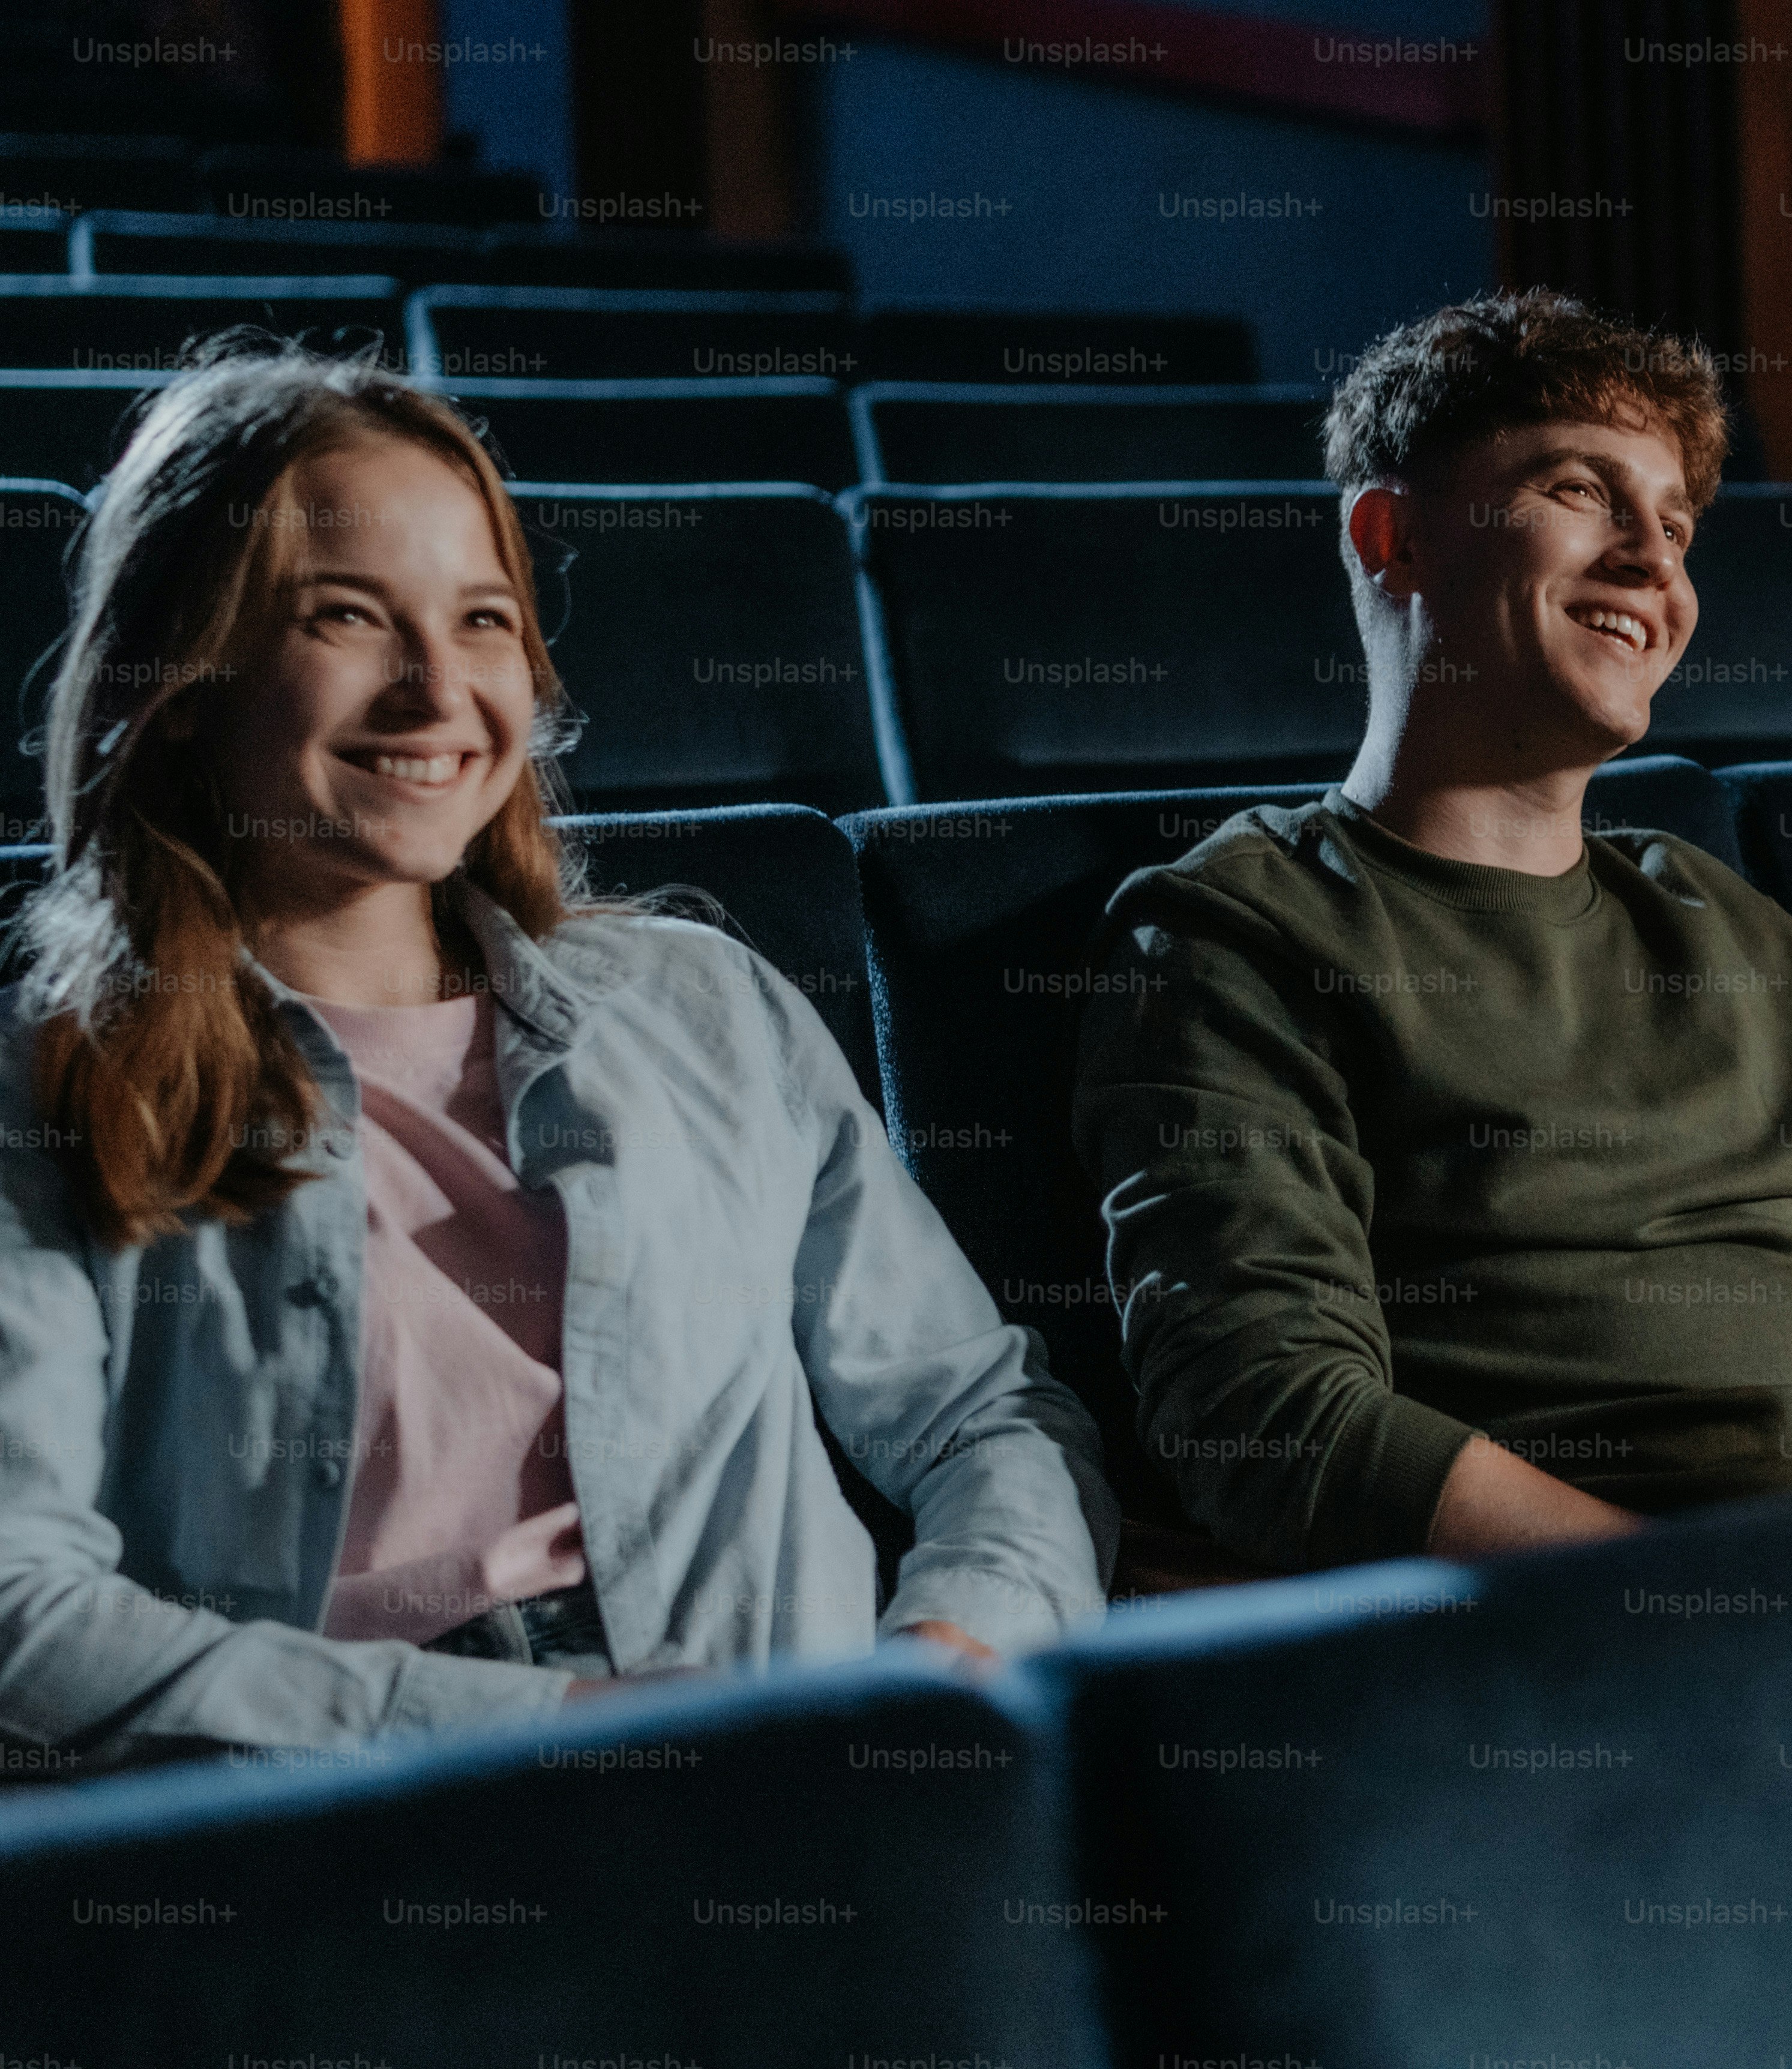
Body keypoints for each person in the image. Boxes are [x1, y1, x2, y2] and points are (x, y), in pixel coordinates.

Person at [0, 341, 1111, 1768]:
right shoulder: (50, 1077)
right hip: (340, 1819)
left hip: (800, 1792)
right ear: (188, 676)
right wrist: (566, 1725)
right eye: (346, 616)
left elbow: (980, 1411)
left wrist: (957, 1644)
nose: (434, 691)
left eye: (479, 620)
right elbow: (25, 1607)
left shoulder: (710, 1005)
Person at [1071, 290, 1792, 1572]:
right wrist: (1704, 1605)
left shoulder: (1728, 920)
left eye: (1678, 524)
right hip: (1555, 1639)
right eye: (1583, 491)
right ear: (1397, 539)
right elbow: (1268, 1422)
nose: (1655, 559)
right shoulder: (1235, 927)